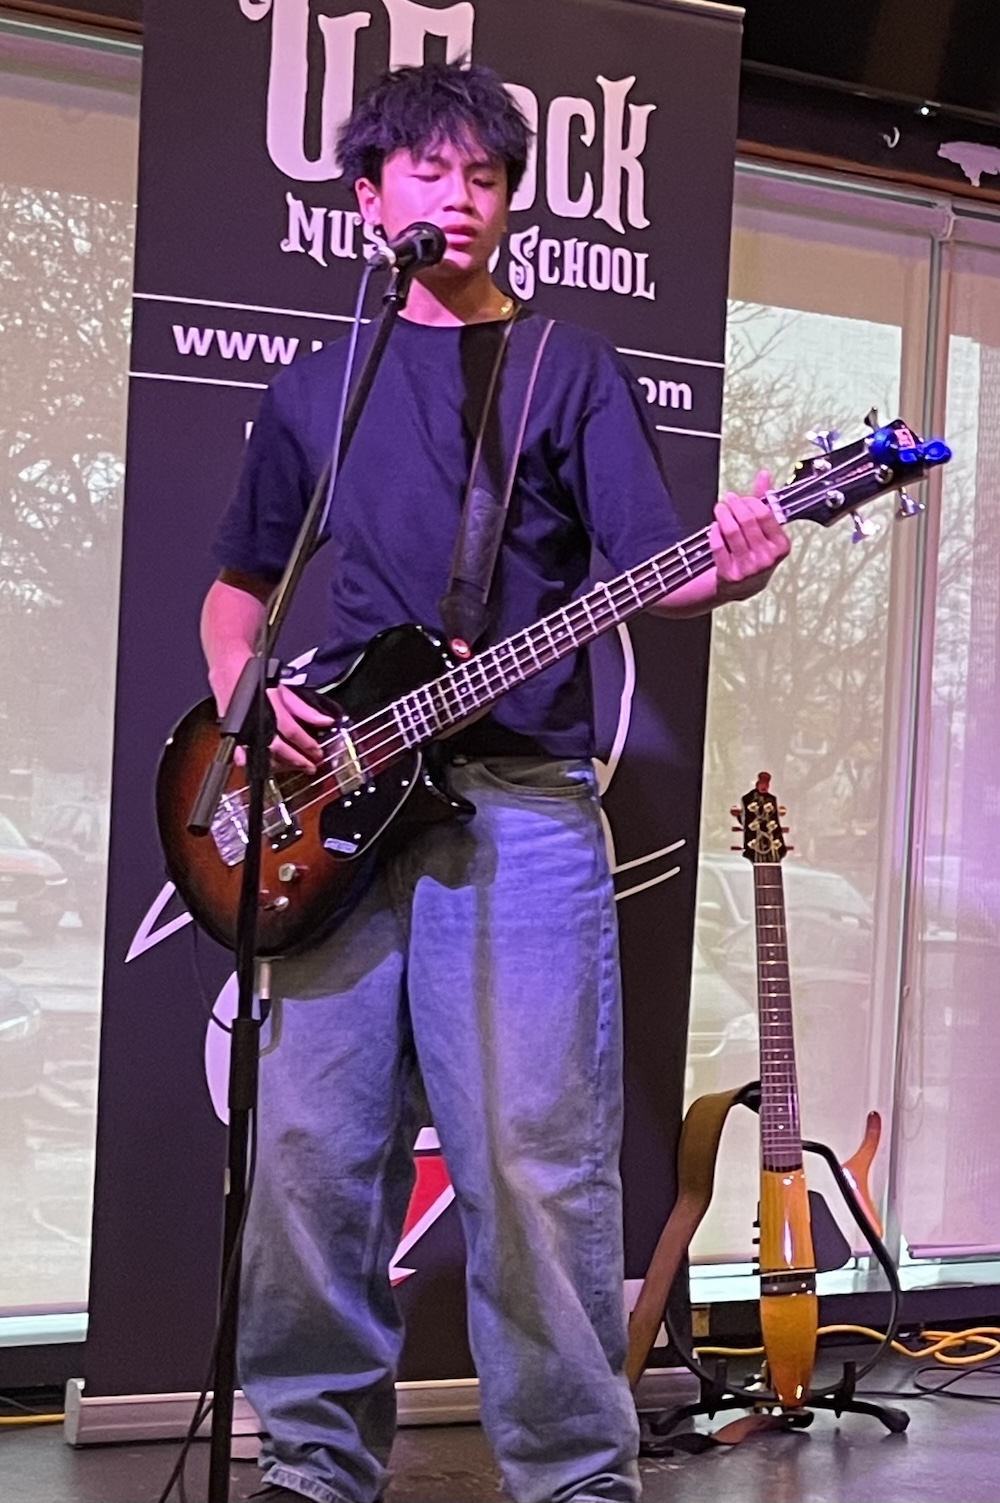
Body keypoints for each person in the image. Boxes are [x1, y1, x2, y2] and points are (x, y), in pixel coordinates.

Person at [201, 61, 790, 1503]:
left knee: (535, 1165)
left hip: (519, 805)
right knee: (309, 1161)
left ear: (511, 203)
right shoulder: (319, 385)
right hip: (336, 808)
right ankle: (314, 1464)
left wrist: (731, 570)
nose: (460, 200)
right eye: (430, 171)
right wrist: (244, 694)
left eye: (486, 177)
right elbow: (235, 592)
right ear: (368, 196)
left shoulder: (563, 367)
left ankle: (577, 1475)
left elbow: (654, 569)